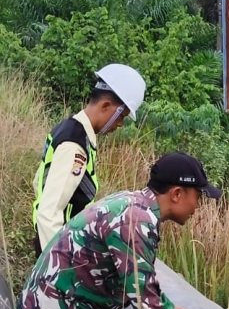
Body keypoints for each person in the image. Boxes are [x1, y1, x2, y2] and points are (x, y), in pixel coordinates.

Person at [17, 152, 221, 309]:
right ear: (176, 194)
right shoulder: (135, 222)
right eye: (198, 196)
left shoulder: (135, 205)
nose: (198, 206)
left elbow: (141, 278)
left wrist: (168, 306)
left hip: (56, 302)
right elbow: (146, 303)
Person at [31, 64, 146, 257]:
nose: (119, 124)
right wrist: (62, 265)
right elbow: (48, 213)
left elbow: (39, 182)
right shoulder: (74, 144)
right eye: (122, 117)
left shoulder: (71, 129)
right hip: (57, 248)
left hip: (55, 242)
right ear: (106, 106)